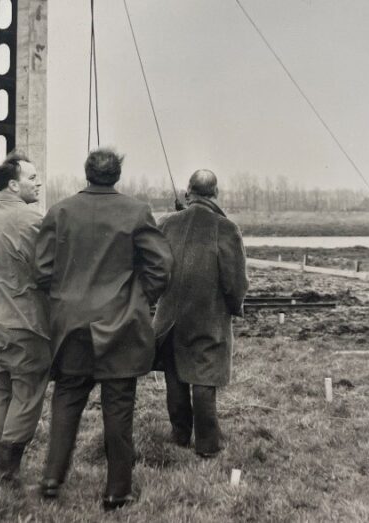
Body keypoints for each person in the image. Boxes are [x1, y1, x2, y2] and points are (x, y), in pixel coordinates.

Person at [35, 148, 172, 510]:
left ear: (87, 173)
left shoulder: (60, 211)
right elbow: (161, 265)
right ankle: (117, 490)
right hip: (121, 325)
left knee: (66, 398)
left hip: (71, 324)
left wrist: (65, 297)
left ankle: (51, 477)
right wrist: (140, 296)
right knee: (119, 407)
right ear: (117, 175)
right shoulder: (136, 212)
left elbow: (42, 269)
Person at [152, 169, 249, 458]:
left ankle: (180, 435)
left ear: (187, 192)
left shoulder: (166, 224)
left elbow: (155, 270)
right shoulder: (227, 228)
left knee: (175, 376)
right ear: (216, 193)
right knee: (204, 377)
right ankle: (208, 444)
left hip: (168, 318)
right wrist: (234, 306)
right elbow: (235, 281)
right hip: (207, 317)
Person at [0, 154, 52, 485]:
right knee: (27, 391)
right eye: (32, 177)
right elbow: (50, 268)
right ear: (13, 184)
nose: (38, 182)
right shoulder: (30, 219)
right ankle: (8, 470)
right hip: (23, 323)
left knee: (1, 389)